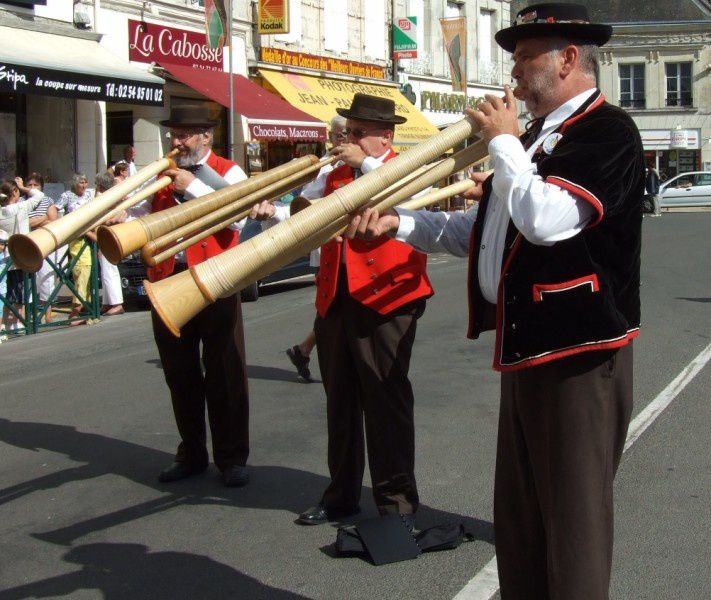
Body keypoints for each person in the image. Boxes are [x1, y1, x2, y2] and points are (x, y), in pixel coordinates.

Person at [346, 4, 643, 597]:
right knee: (521, 521)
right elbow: (480, 236)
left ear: (566, 59)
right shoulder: (530, 139)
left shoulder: (607, 130)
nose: (513, 66)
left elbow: (545, 221)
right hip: (527, 352)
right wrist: (400, 224)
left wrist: (506, 145)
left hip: (578, 355)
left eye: (525, 53)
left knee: (574, 526)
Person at [252, 94, 434, 526]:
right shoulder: (334, 174)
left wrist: (365, 164)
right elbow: (301, 211)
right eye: (347, 133)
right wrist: (269, 212)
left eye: (357, 134)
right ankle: (341, 496)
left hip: (388, 300)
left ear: (384, 136)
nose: (347, 141)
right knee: (341, 405)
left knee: (386, 402)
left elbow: (413, 204)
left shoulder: (410, 166)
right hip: (336, 298)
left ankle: (396, 503)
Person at [128, 105, 251, 487]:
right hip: (168, 280)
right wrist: (122, 220)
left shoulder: (230, 171)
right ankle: (192, 452)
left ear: (206, 137)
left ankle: (231, 458)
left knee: (225, 372)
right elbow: (139, 217)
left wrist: (191, 185)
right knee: (179, 374)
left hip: (216, 280)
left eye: (184, 135)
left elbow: (237, 218)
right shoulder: (160, 174)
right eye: (173, 134)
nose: (176, 142)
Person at [285, 114, 348, 382]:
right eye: (340, 135)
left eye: (349, 134)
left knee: (334, 309)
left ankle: (304, 349)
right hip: (328, 251)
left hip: (349, 253)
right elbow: (304, 205)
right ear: (331, 137)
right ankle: (306, 350)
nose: (344, 140)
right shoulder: (326, 169)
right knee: (331, 308)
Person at [0, 178, 46, 332]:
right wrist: (22, 186)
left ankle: (6, 323)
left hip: (5, 257)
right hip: (22, 256)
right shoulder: (21, 207)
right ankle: (17, 322)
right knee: (20, 293)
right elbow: (39, 196)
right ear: (14, 192)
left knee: (7, 292)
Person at [26, 173, 59, 323]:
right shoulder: (23, 201)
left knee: (46, 277)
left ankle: (47, 314)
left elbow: (53, 221)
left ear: (41, 187)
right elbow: (25, 223)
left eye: (36, 185)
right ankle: (31, 315)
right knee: (29, 280)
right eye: (30, 185)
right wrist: (43, 219)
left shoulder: (47, 200)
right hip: (28, 243)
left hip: (45, 243)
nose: (32, 188)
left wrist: (36, 221)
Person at [93, 171, 125, 316]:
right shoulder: (110, 195)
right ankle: (107, 302)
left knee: (109, 270)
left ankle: (117, 303)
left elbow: (116, 215)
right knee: (105, 270)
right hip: (105, 234)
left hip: (110, 235)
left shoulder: (108, 197)